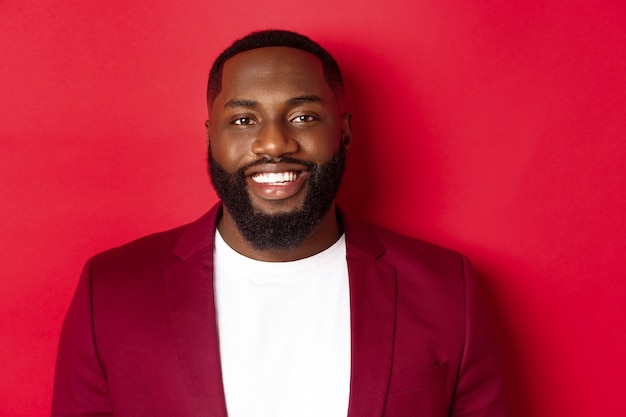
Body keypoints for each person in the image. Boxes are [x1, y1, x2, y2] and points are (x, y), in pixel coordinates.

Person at [52, 29, 505, 417]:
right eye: (244, 119)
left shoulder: (448, 290)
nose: (273, 143)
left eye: (303, 116)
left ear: (343, 130)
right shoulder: (109, 292)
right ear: (211, 135)